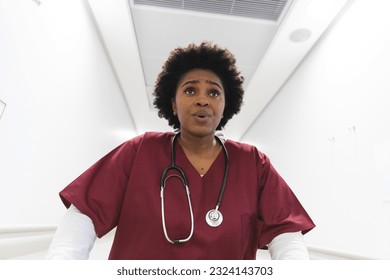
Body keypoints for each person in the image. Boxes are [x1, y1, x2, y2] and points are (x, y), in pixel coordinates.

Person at [46, 42, 315, 260]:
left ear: (225, 105)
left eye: (214, 93)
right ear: (173, 104)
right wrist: (62, 265)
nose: (202, 99)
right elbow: (84, 214)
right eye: (190, 90)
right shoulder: (140, 151)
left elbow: (286, 231)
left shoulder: (254, 163)